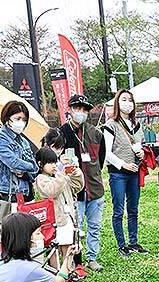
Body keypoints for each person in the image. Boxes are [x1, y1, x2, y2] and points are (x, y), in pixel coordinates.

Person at [60, 94, 107, 272]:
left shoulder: (96, 133)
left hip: (95, 187)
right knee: (75, 227)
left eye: (84, 110)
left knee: (95, 226)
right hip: (74, 190)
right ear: (70, 110)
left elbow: (100, 160)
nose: (80, 113)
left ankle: (92, 258)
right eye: (77, 109)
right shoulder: (61, 133)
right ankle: (75, 261)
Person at [104, 89, 150, 258]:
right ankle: (122, 245)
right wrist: (123, 165)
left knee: (133, 209)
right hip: (118, 173)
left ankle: (133, 242)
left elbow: (142, 146)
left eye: (130, 100)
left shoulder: (137, 126)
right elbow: (107, 152)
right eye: (124, 100)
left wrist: (142, 154)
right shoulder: (110, 125)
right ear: (117, 102)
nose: (128, 103)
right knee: (118, 210)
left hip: (134, 172)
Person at [33, 145, 83, 269]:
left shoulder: (59, 177)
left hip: (68, 217)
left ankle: (68, 270)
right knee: (54, 248)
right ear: (40, 164)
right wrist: (63, 175)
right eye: (50, 163)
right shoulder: (41, 179)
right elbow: (51, 191)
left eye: (55, 162)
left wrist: (76, 174)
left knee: (68, 245)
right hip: (54, 221)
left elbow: (77, 187)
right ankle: (56, 271)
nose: (54, 166)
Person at [0, 101, 39, 202]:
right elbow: (13, 163)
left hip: (24, 191)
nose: (21, 122)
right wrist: (29, 166)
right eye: (17, 118)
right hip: (4, 192)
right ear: (7, 118)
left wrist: (27, 170)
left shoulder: (24, 141)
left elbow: (35, 168)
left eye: (24, 120)